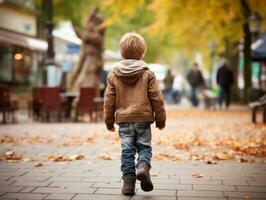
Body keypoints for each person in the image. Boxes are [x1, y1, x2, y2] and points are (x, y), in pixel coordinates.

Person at [104, 32, 166, 196]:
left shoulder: (114, 75)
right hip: (143, 119)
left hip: (124, 120)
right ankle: (143, 167)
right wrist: (160, 119)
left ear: (121, 52)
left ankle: (128, 185)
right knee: (144, 147)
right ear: (142, 52)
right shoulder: (148, 74)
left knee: (127, 151)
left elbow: (109, 100)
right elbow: (157, 98)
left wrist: (108, 120)